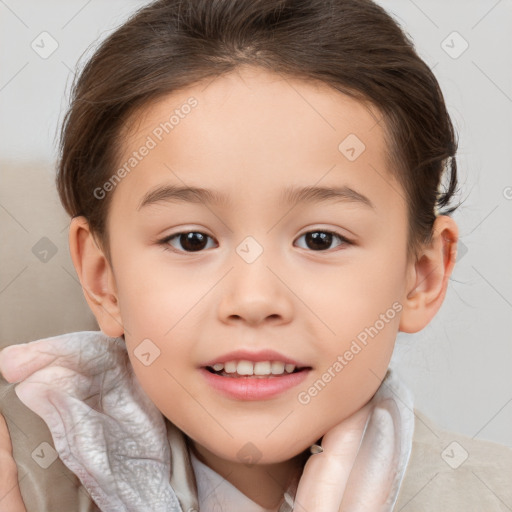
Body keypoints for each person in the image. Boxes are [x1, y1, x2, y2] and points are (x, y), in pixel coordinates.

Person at [0, 0, 511, 511]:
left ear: (422, 276)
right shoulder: (25, 482)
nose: (253, 299)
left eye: (320, 239)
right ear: (102, 277)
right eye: (191, 240)